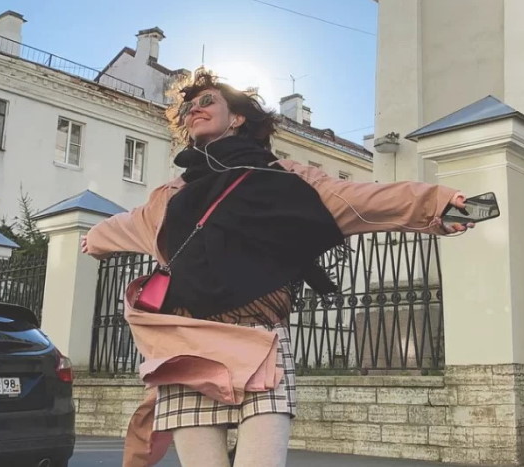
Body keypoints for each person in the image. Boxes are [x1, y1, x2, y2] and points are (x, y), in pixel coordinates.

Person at [81, 69, 471, 467]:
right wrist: (93, 238)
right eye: (189, 107)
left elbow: (359, 199)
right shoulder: (170, 195)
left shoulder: (282, 177)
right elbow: (127, 224)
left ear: (237, 117)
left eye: (208, 101)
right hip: (188, 344)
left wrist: (436, 204)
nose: (195, 109)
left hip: (259, 338)